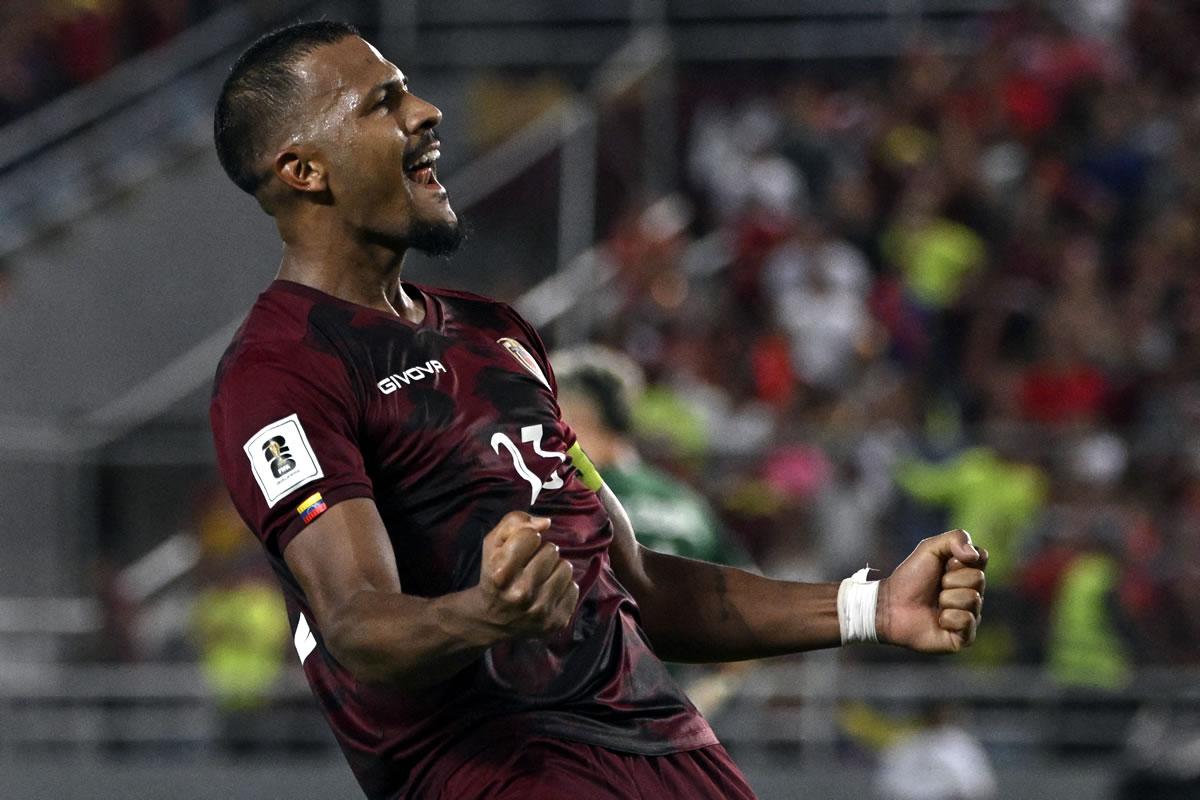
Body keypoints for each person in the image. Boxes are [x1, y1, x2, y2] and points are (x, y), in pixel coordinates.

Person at [208, 21, 988, 800]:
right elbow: (356, 623)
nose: (426, 111)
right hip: (513, 772)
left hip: (676, 758)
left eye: (409, 88)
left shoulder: (497, 335)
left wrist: (870, 605)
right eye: (383, 103)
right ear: (304, 169)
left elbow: (637, 585)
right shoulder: (280, 371)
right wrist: (484, 615)